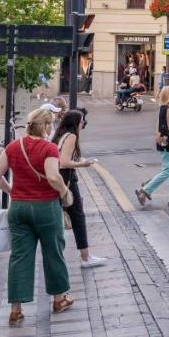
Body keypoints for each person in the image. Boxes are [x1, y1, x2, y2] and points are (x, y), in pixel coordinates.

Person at [0, 106, 75, 325]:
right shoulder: (49, 148)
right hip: (45, 207)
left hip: (18, 208)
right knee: (53, 251)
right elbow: (53, 177)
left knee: (19, 256)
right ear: (46, 126)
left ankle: (16, 310)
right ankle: (59, 299)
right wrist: (65, 193)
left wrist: (12, 191)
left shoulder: (13, 146)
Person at [53, 110, 107, 269]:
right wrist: (83, 164)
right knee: (78, 216)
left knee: (60, 215)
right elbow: (64, 162)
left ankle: (59, 254)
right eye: (82, 121)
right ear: (76, 122)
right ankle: (85, 257)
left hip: (60, 176)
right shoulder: (71, 136)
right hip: (67, 178)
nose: (83, 123)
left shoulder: (61, 135)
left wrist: (81, 160)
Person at [135, 86, 169, 208]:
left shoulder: (163, 108)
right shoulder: (168, 109)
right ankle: (145, 190)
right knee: (168, 170)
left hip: (167, 142)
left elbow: (160, 125)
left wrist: (158, 133)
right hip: (168, 142)